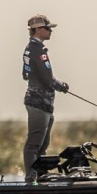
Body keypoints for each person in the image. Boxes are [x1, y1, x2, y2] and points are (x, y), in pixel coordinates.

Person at [22, 14, 69, 182]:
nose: (50, 31)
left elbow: (25, 74)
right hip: (38, 103)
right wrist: (62, 85)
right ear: (37, 29)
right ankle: (31, 177)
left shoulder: (31, 49)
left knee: (43, 144)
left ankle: (40, 175)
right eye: (48, 28)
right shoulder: (37, 50)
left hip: (44, 103)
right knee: (34, 144)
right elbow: (47, 79)